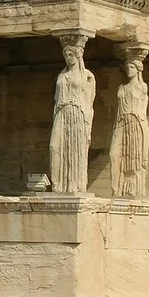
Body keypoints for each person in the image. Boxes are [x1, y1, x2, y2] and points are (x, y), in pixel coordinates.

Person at [49, 44, 96, 193]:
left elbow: (89, 100)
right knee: (54, 147)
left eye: (71, 55)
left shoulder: (87, 76)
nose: (68, 58)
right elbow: (56, 98)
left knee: (76, 150)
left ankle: (75, 186)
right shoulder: (61, 76)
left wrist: (88, 123)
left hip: (78, 112)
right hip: (61, 112)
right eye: (66, 55)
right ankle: (58, 186)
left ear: (77, 55)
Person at [110, 59, 149, 197]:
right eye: (127, 67)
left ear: (138, 70)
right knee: (114, 155)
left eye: (132, 67)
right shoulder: (122, 87)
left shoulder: (142, 87)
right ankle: (116, 188)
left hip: (135, 122)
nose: (129, 70)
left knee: (134, 157)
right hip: (121, 122)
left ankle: (132, 190)